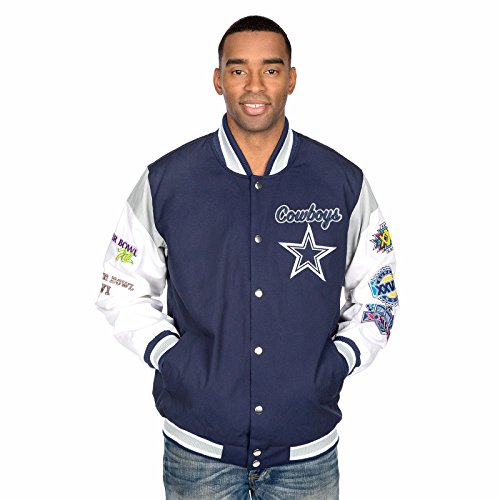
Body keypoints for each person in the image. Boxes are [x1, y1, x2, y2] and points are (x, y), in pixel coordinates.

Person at [95, 14, 399, 500]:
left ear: (291, 79)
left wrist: (338, 362)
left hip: (307, 452)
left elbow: (378, 289)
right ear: (218, 80)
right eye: (238, 70)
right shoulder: (167, 181)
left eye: (271, 70)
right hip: (198, 451)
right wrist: (175, 361)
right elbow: (121, 287)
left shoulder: (341, 181)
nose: (255, 85)